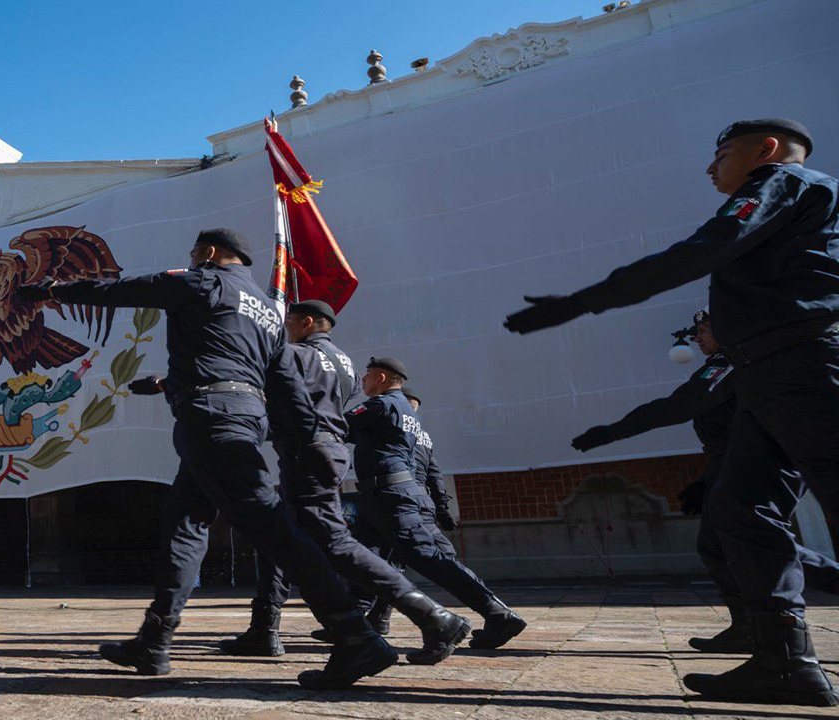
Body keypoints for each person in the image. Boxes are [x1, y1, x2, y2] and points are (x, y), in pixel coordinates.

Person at [504, 118, 839, 706]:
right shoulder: (782, 192)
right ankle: (785, 661)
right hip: (768, 372)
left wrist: (585, 301)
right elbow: (680, 402)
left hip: (805, 364)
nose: (711, 169)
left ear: (764, 149)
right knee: (738, 509)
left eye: (722, 155)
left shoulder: (782, 181)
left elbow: (706, 249)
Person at [15, 228, 395, 689]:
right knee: (185, 525)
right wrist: (304, 439)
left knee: (270, 526)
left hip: (212, 420)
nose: (192, 260)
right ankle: (154, 641)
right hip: (237, 419)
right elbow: (285, 386)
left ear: (210, 253)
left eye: (195, 254)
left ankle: (356, 635)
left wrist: (52, 291)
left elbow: (121, 290)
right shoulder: (270, 314)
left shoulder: (203, 281)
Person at [215, 300, 470, 664]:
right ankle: (267, 628)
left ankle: (431, 617)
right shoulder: (345, 364)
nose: (286, 329)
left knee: (333, 544)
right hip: (326, 452)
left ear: (305, 323)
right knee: (285, 540)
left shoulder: (297, 355)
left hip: (307, 452)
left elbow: (288, 404)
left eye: (289, 323)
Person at [571, 309, 839, 654]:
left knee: (752, 542)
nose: (697, 338)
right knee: (724, 545)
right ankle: (748, 626)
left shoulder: (731, 362)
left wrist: (613, 431)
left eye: (703, 330)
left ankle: (767, 632)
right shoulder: (737, 361)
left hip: (752, 459)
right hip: (733, 460)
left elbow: (681, 404)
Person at [345, 359, 526, 650]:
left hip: (390, 495)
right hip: (388, 495)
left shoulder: (381, 405)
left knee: (428, 559)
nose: (362, 382)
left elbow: (340, 426)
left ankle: (495, 614)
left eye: (366, 376)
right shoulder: (405, 414)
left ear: (380, 377)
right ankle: (356, 622)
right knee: (362, 558)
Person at [361, 388, 456, 636]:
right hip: (416, 498)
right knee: (392, 561)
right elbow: (434, 472)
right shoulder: (421, 434)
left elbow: (428, 470)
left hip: (401, 498)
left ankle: (442, 618)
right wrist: (442, 506)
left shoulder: (397, 427)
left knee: (390, 561)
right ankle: (374, 616)